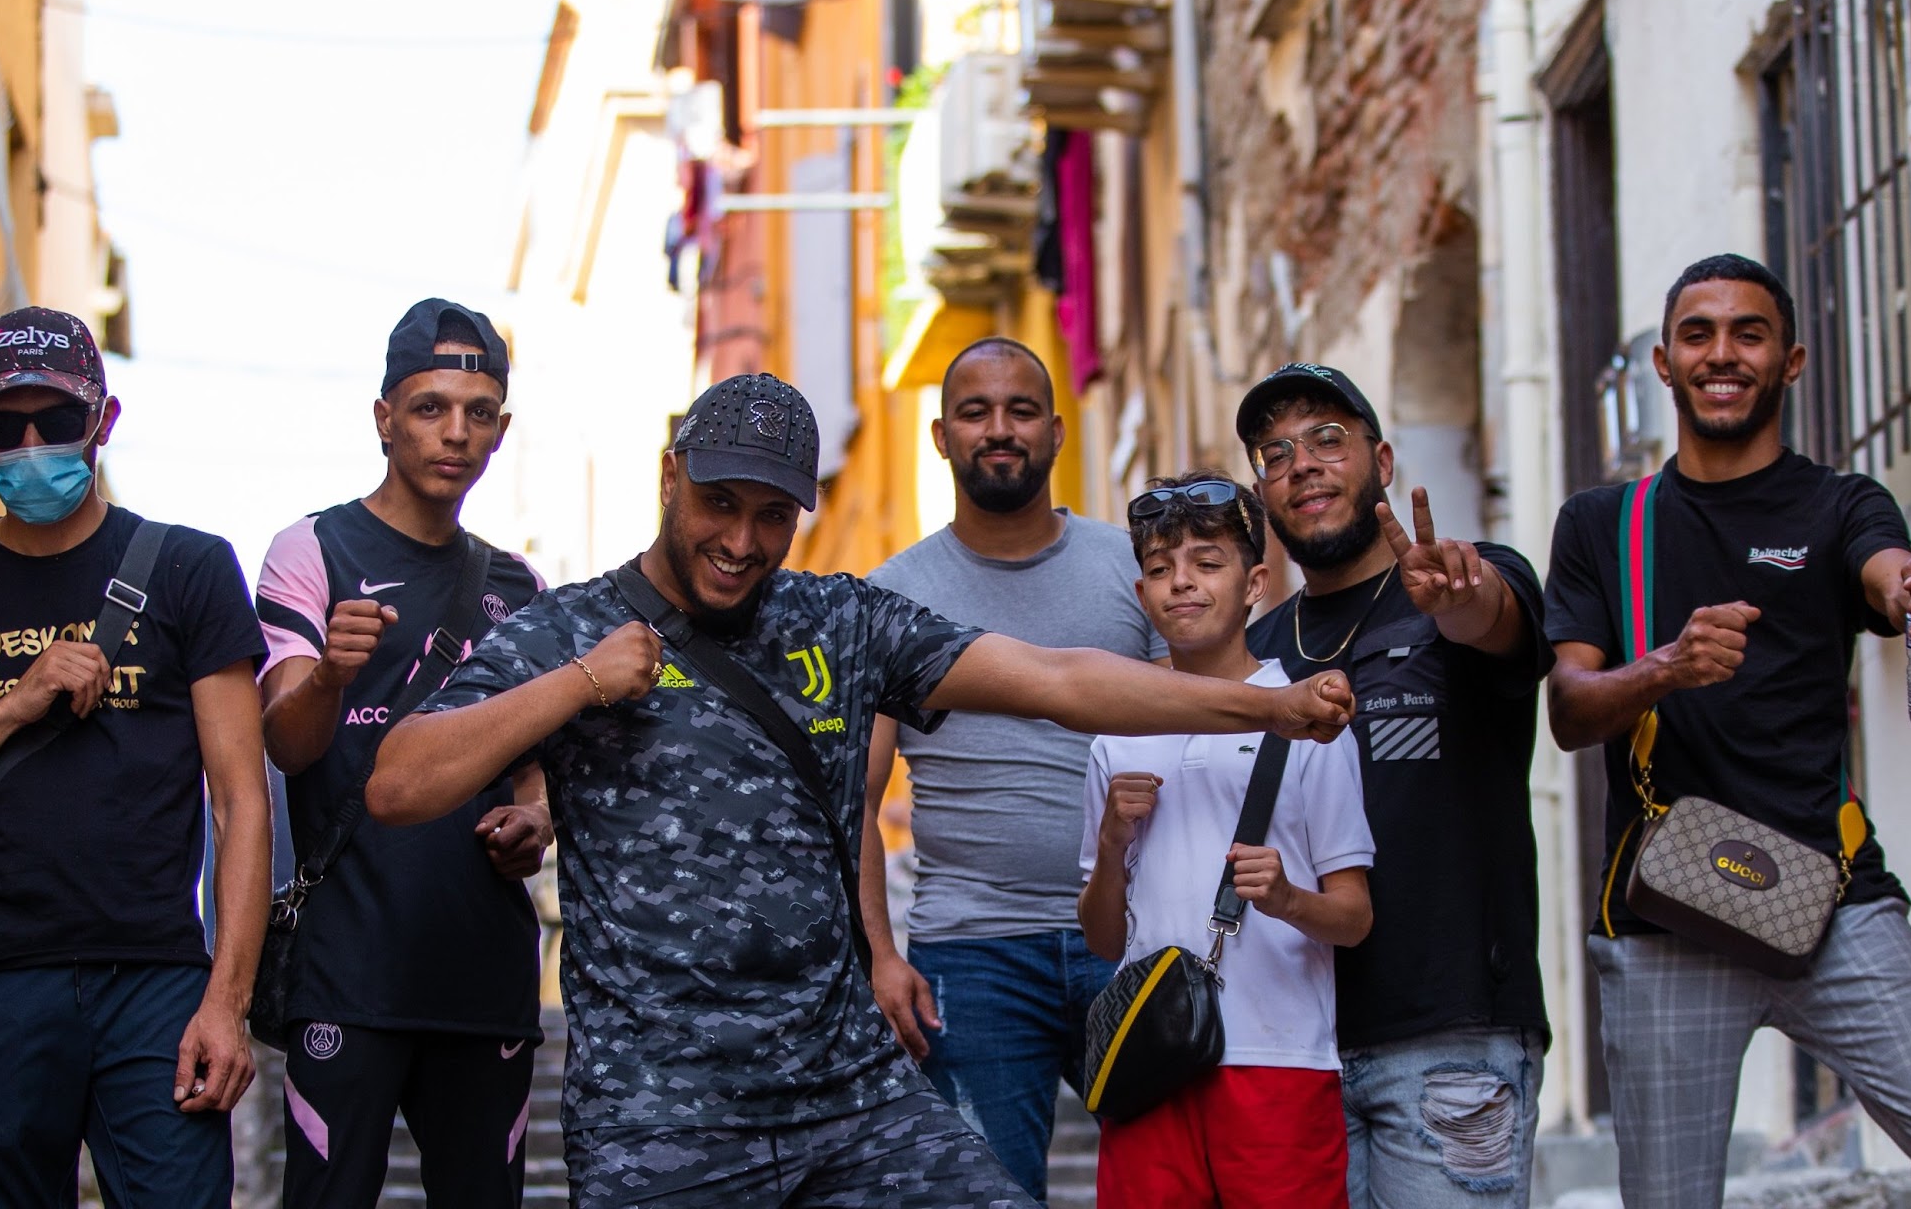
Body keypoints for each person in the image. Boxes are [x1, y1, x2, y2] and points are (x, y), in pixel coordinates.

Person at [364, 373, 1356, 1209]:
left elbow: (1057, 680)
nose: (742, 540)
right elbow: (399, 783)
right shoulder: (573, 629)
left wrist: (1265, 707)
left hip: (847, 1094)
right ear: (670, 477)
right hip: (661, 1114)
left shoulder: (840, 622)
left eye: (772, 515)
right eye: (719, 503)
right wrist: (581, 683)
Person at [1544, 255, 1911, 1208]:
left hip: (1836, 904)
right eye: (1698, 334)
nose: (1722, 353)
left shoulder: (1840, 504)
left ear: (1790, 362)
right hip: (1664, 920)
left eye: (1748, 334)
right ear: (1664, 364)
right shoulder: (1603, 524)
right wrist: (1666, 667)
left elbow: (1889, 573)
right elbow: (1570, 711)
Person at [0, 307, 268, 1208]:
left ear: (103, 420)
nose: (32, 446)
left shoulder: (189, 571)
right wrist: (9, 709)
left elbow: (240, 802)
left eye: (58, 420)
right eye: (6, 425)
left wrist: (227, 1003)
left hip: (153, 983)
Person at [252, 299, 553, 1209]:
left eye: (478, 412)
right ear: (384, 418)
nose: (455, 432)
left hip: (484, 977)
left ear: (501, 429)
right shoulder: (311, 549)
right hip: (346, 973)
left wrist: (536, 820)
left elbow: (538, 769)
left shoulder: (522, 588)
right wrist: (328, 678)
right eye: (430, 408)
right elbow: (286, 743)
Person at [1237, 362, 1552, 1208]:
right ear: (1263, 494)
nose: (1302, 464)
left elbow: (1491, 618)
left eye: (1327, 439)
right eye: (1276, 454)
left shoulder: (1465, 582)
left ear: (1381, 461)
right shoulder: (1258, 653)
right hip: (1293, 1047)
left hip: (1451, 1039)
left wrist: (1460, 601)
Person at [861, 337, 1168, 1202]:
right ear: (941, 436)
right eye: (975, 411)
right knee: (983, 1195)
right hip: (972, 955)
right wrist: (879, 955)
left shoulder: (1133, 568)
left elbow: (1196, 737)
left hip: (1136, 936)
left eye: (1021, 410)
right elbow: (855, 802)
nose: (999, 429)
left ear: (1057, 432)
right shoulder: (890, 596)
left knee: (1173, 1187)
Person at [1079, 469, 1373, 1209]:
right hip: (1151, 1061)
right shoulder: (1117, 733)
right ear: (1141, 593)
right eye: (1159, 569)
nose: (1181, 582)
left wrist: (1286, 899)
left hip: (1279, 1059)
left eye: (1207, 563)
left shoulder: (1308, 721)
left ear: (1255, 585)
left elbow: (1354, 917)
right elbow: (1104, 940)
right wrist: (1111, 844)